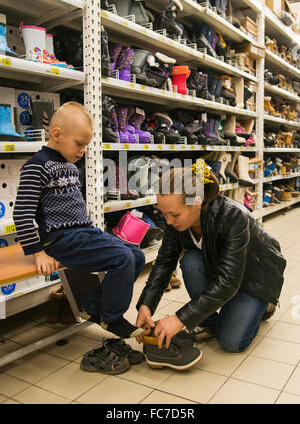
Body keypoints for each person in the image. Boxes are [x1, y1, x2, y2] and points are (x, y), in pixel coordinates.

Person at [13, 101, 145, 340]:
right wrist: (38, 252)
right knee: (123, 258)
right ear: (56, 134)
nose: (83, 150)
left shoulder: (71, 166)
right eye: (79, 143)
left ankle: (93, 306)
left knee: (136, 256)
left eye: (86, 145)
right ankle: (111, 317)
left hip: (84, 232)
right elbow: (22, 213)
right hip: (58, 240)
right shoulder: (36, 166)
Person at [136, 160, 286, 352]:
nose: (168, 221)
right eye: (164, 214)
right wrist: (146, 305)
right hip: (225, 271)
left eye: (174, 215)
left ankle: (264, 305)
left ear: (197, 202)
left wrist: (181, 318)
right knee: (191, 261)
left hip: (255, 277)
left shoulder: (233, 216)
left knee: (231, 342)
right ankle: (211, 321)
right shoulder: (174, 219)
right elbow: (165, 263)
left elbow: (228, 281)